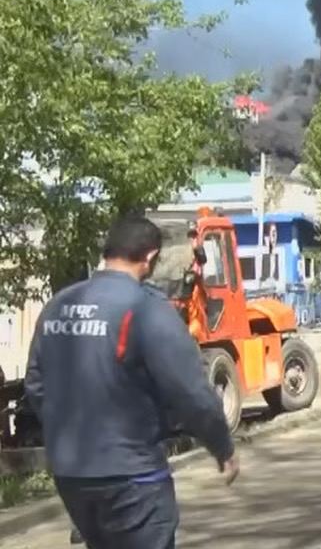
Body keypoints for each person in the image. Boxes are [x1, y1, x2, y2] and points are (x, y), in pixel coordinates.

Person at [25, 216, 239, 549]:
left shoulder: (59, 305)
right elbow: (191, 392)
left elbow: (36, 384)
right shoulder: (146, 309)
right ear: (151, 258)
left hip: (72, 476)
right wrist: (222, 447)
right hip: (133, 476)